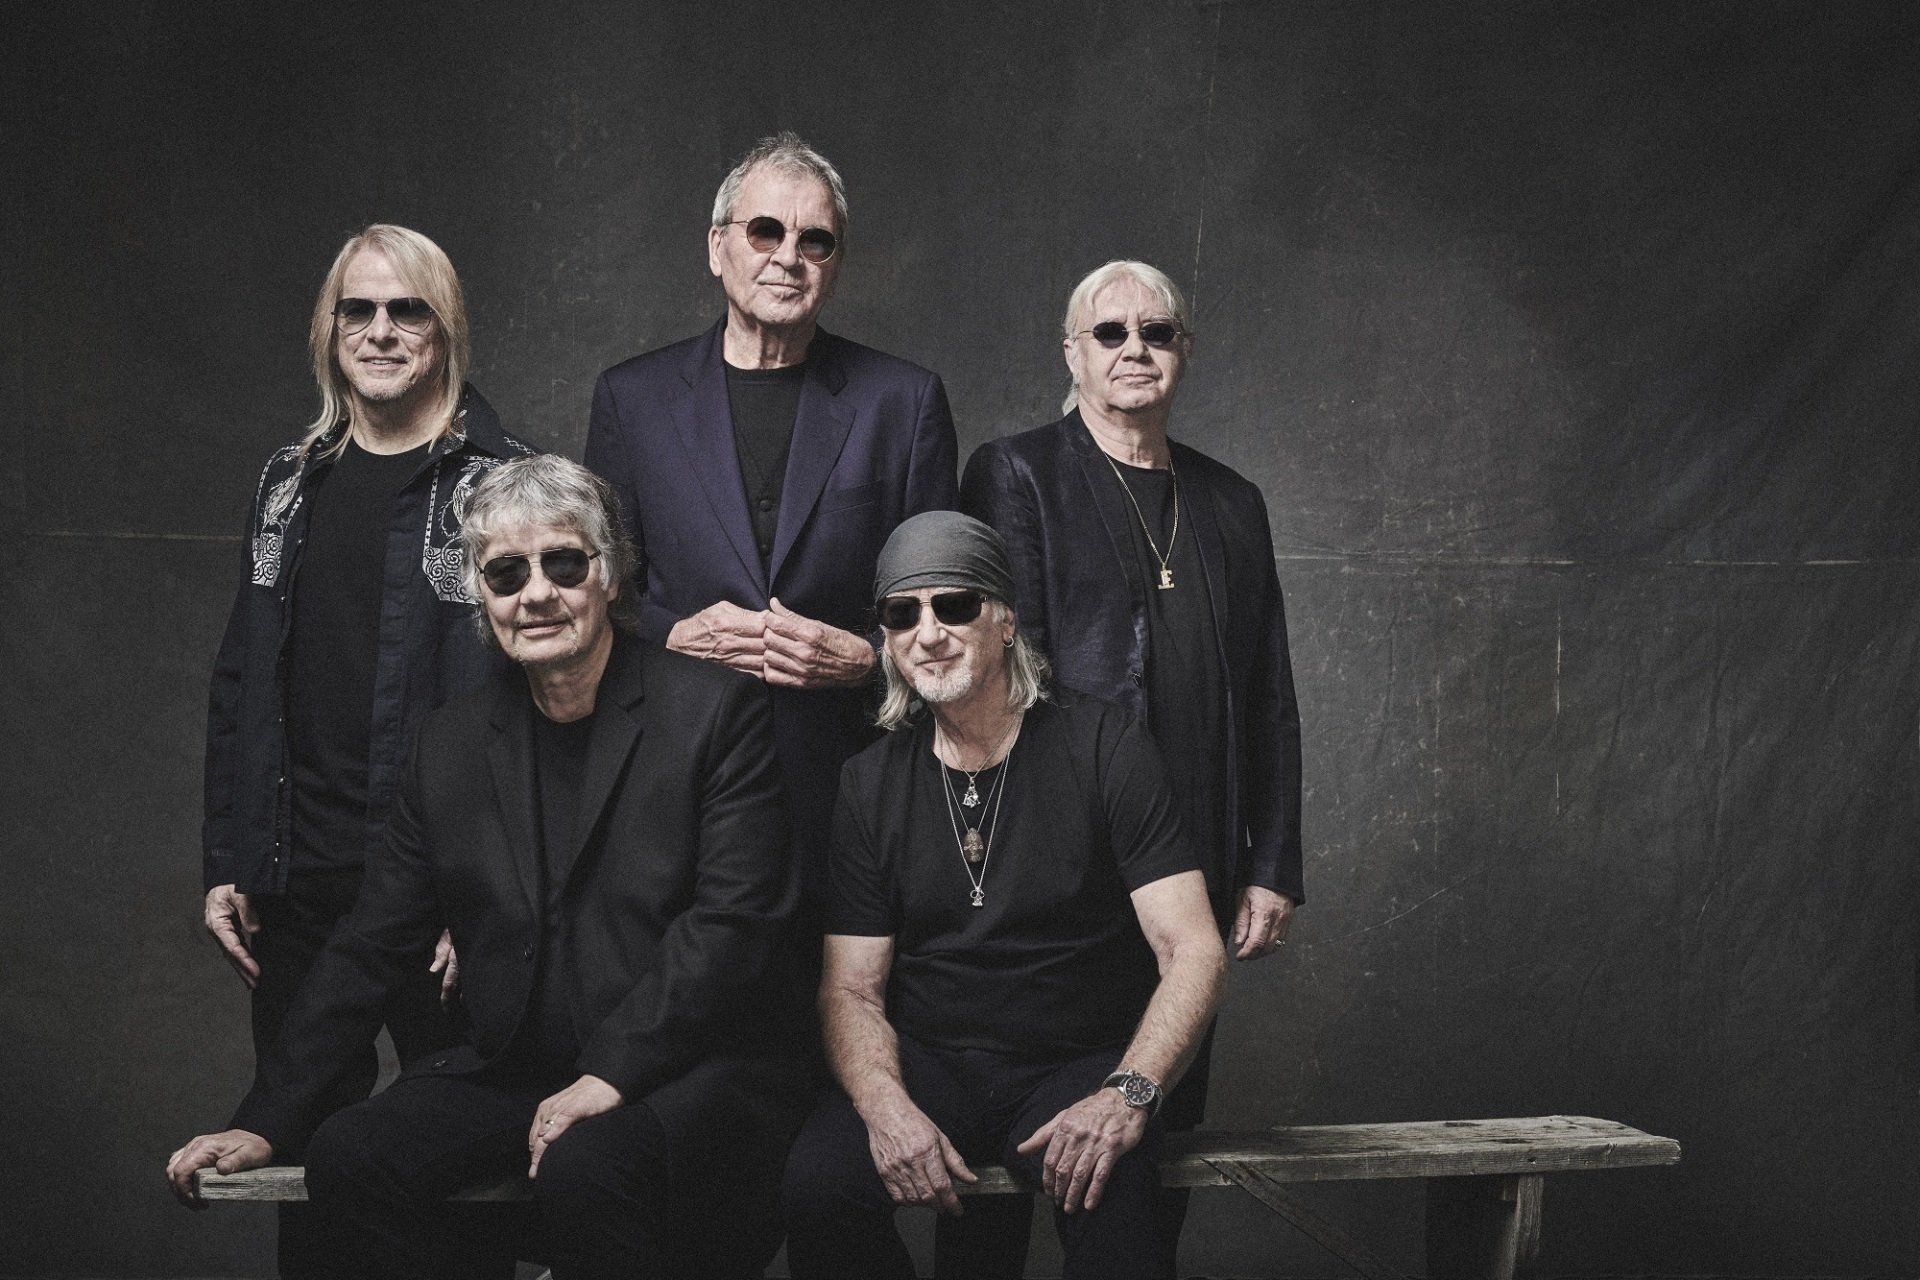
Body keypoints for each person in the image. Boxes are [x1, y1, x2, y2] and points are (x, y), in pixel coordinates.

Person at [168, 456, 804, 1279]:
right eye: (507, 573)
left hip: (690, 1068)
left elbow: (733, 925)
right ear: (480, 595)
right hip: (520, 1070)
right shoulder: (451, 743)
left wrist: (611, 1075)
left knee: (587, 1164)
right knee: (352, 1152)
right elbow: (373, 942)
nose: (536, 594)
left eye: (563, 564)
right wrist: (267, 1119)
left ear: (609, 576)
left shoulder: (715, 710)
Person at [198, 223, 538, 1274]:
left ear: (446, 331)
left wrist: (493, 891)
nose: (381, 331)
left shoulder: (506, 485)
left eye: (408, 310)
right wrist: (229, 856)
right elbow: (242, 677)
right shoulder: (287, 480)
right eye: (360, 309)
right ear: (330, 328)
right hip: (298, 881)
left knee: (460, 1176)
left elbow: (540, 706)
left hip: (444, 895)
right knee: (298, 1153)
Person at [958, 258, 1305, 1263]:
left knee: (1149, 1164)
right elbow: (1000, 676)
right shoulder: (1016, 472)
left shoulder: (1232, 499)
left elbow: (1270, 693)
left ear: (1184, 351)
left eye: (1157, 332)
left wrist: (1274, 859)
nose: (1135, 349)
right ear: (1073, 353)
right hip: (1050, 869)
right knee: (1001, 1171)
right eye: (1110, 333)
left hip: (1194, 867)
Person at [779, 512, 1226, 1280]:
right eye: (902, 614)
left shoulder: (1105, 746)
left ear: (1006, 620)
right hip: (931, 1066)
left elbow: (1194, 950)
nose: (928, 633)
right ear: (886, 640)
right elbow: (850, 988)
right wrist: (886, 1108)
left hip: (1074, 1062)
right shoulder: (868, 783)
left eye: (955, 605)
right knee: (819, 1187)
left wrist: (1128, 1093)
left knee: (1119, 1194)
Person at [585, 131, 957, 913]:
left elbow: (945, 608)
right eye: (765, 231)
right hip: (675, 782)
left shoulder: (904, 401)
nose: (789, 256)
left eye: (815, 240)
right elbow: (598, 591)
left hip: (846, 787)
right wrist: (674, 635)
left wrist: (867, 657)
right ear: (717, 247)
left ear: (836, 265)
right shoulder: (632, 398)